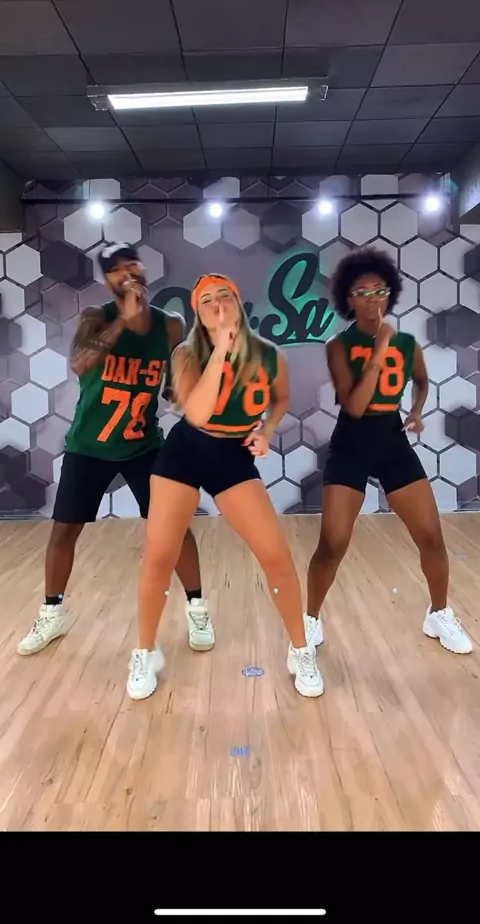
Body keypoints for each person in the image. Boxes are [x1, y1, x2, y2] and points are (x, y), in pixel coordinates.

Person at [126, 273, 323, 700]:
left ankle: (300, 650)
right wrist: (220, 351)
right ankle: (144, 651)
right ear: (198, 314)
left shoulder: (269, 356)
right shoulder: (186, 354)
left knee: (276, 555)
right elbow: (197, 413)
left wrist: (266, 429)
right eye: (207, 301)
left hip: (232, 456)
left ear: (238, 301)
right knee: (159, 556)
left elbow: (281, 399)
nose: (218, 306)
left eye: (225, 297)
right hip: (185, 452)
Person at [18, 242, 214, 657]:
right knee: (64, 530)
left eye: (131, 264)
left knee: (174, 526)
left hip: (144, 445)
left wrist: (184, 392)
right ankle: (52, 613)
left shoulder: (171, 325)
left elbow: (173, 383)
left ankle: (198, 608)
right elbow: (80, 364)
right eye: (115, 269)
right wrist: (123, 322)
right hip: (89, 445)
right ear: (107, 281)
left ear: (143, 268)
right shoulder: (96, 317)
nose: (126, 273)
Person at [305, 247, 472, 664]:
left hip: (391, 439)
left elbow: (421, 379)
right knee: (333, 543)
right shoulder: (339, 346)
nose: (372, 299)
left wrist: (415, 412)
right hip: (352, 442)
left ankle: (439, 614)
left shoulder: (407, 343)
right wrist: (379, 351)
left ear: (390, 293)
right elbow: (355, 405)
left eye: (379, 290)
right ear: (348, 299)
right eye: (362, 292)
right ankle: (309, 619)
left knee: (430, 535)